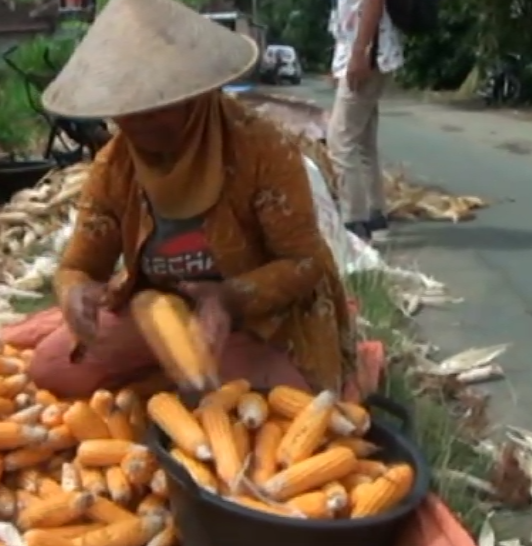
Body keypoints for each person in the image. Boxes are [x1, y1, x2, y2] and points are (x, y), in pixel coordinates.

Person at [20, 0, 357, 398]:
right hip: (162, 317)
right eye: (127, 110)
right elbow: (79, 265)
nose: (139, 123)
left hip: (261, 317)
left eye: (156, 106)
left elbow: (304, 263)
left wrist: (228, 299)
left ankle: (356, 361)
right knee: (52, 370)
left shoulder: (262, 151)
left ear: (195, 96)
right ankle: (178, 386)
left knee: (263, 399)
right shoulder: (116, 166)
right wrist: (73, 289)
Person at [326, 0, 404, 242]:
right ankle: (375, 217)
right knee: (362, 143)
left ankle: (354, 225)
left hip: (368, 55)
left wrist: (359, 54)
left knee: (340, 141)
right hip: (369, 53)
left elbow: (373, 3)